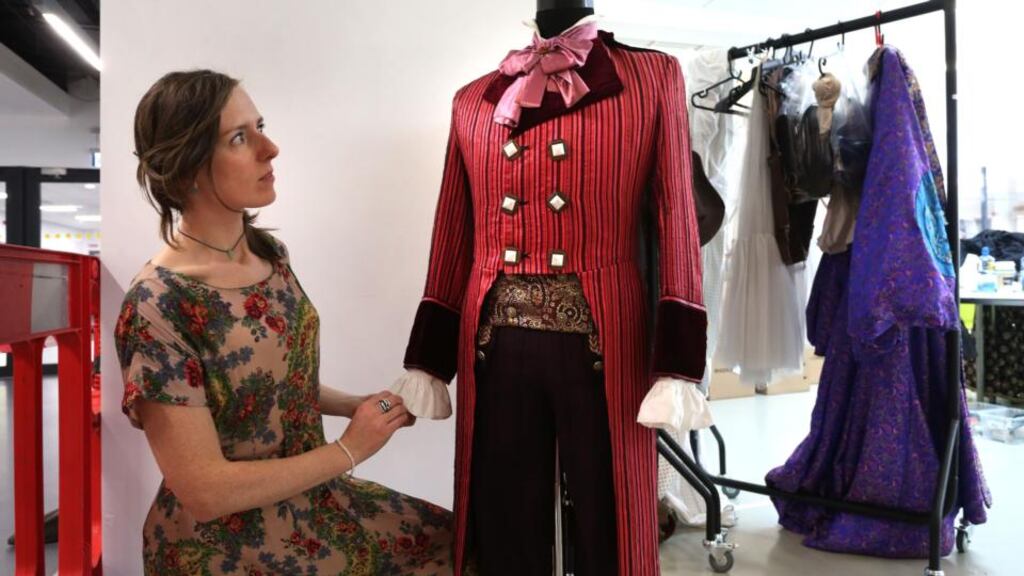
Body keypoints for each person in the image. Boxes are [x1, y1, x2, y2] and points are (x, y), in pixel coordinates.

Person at [115, 69, 455, 575]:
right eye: (239, 138)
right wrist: (350, 448)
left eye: (260, 127)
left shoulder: (267, 254)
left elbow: (260, 382)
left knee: (467, 543)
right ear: (188, 168)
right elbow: (204, 491)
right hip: (226, 546)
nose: (270, 149)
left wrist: (353, 405)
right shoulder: (157, 305)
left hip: (309, 503)